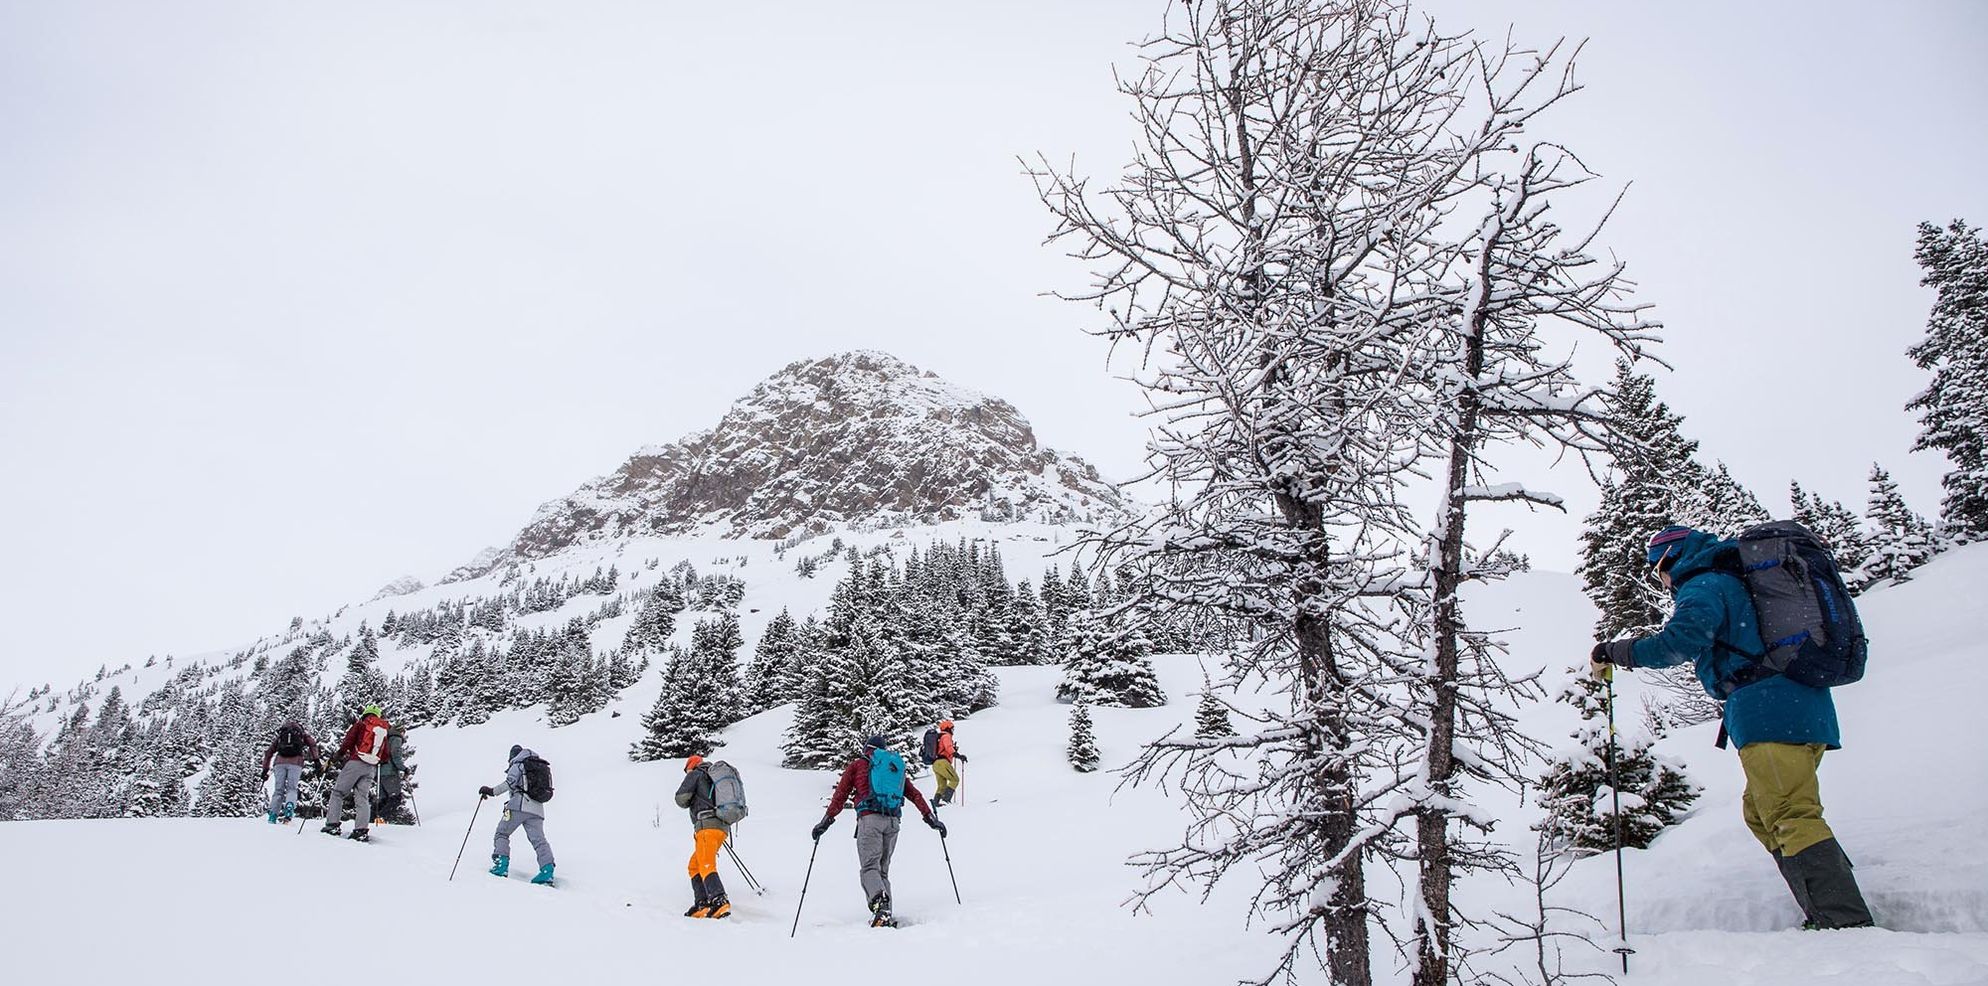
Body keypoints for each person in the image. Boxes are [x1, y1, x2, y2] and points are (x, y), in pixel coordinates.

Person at [1593, 525, 1874, 929]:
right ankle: (1828, 900)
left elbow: (1681, 641)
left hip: (1770, 709)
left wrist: (1615, 651)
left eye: (1658, 570)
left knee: (1788, 812)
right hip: (1794, 704)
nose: (1662, 579)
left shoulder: (1705, 583)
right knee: (1762, 812)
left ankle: (1842, 920)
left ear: (1669, 559)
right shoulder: (1732, 581)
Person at [809, 735, 946, 927]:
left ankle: (880, 908)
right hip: (893, 822)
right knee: (882, 871)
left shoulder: (858, 765)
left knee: (869, 867)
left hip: (869, 820)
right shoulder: (893, 768)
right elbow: (914, 794)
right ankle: (886, 914)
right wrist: (930, 818)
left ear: (867, 749)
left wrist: (826, 821)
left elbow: (840, 795)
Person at [479, 744, 555, 885]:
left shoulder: (518, 764)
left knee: (502, 833)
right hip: (537, 809)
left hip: (519, 806)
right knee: (539, 840)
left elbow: (510, 782)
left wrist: (491, 791)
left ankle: (501, 866)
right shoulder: (537, 765)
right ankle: (547, 871)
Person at [674, 754, 732, 919]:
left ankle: (720, 901)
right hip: (721, 828)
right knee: (694, 865)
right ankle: (703, 903)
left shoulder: (696, 774)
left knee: (706, 864)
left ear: (690, 766)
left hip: (707, 827)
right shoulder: (714, 777)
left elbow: (680, 798)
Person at [322, 704, 391, 842]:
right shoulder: (382, 731)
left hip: (356, 761)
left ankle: (332, 825)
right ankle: (361, 830)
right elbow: (385, 755)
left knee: (338, 793)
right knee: (362, 798)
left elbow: (347, 743)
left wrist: (335, 758)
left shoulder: (360, 725)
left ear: (365, 714)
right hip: (371, 767)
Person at [260, 720, 320, 824]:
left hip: (279, 763)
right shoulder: (301, 734)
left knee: (278, 790)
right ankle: (289, 807)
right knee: (292, 788)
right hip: (296, 763)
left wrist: (265, 769)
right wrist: (316, 761)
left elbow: (269, 752)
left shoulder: (281, 736)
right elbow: (313, 744)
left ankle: (273, 815)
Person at [373, 723, 413, 825]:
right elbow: (396, 756)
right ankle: (381, 818)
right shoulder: (396, 739)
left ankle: (371, 819)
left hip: (379, 772)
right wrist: (404, 769)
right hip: (390, 772)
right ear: (401, 731)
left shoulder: (385, 739)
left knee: (383, 799)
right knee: (395, 798)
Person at [930, 720, 968, 806]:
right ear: (948, 728)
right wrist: (958, 755)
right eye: (952, 728)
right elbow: (948, 747)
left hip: (936, 764)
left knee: (942, 785)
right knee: (955, 780)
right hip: (943, 762)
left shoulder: (939, 737)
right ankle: (945, 800)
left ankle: (936, 802)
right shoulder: (946, 736)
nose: (953, 731)